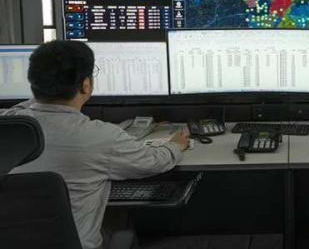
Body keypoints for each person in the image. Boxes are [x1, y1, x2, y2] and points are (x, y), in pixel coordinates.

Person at [1, 40, 190, 249]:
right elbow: (154, 161)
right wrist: (175, 145)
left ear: (32, 84)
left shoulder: (8, 125)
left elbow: (18, 109)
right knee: (122, 223)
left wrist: (42, 92)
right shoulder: (100, 137)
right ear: (85, 85)